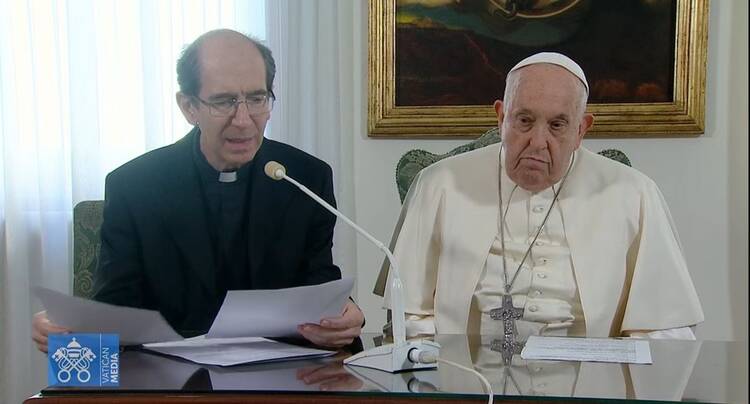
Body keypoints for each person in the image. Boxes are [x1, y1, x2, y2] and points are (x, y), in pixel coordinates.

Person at [33, 29, 363, 352]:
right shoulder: (135, 185)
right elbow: (117, 305)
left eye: (257, 98)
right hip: (169, 382)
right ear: (189, 107)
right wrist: (71, 327)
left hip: (281, 378)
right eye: (224, 101)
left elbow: (319, 287)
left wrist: (343, 316)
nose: (244, 120)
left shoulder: (305, 178)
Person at [375, 52, 703, 341]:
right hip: (468, 383)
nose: (537, 142)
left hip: (589, 388)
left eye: (558, 125)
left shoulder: (634, 194)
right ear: (502, 117)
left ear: (581, 130)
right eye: (524, 120)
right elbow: (408, 318)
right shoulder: (438, 184)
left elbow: (664, 331)